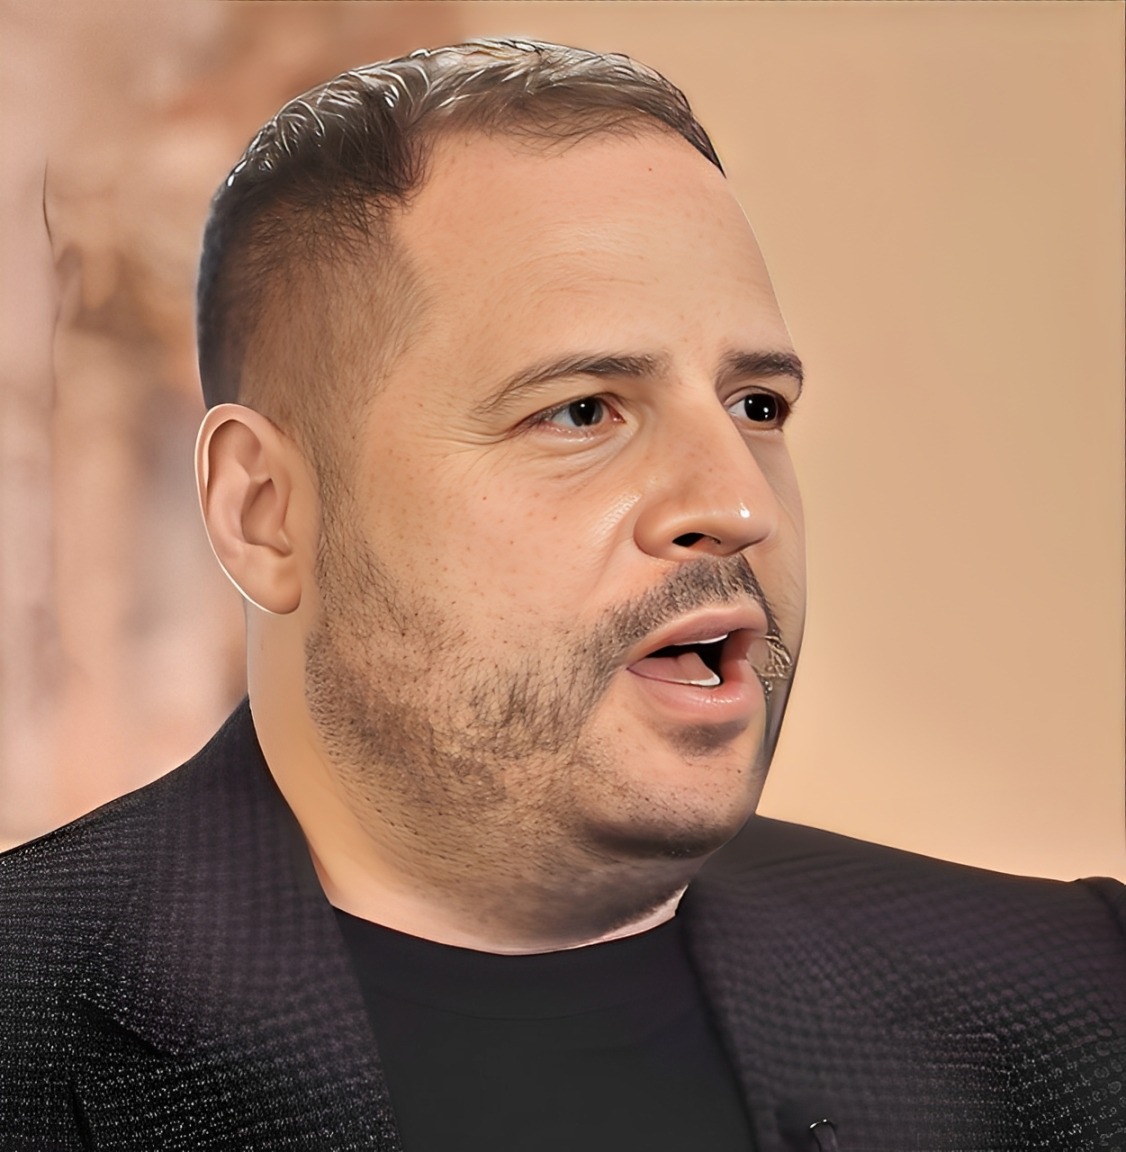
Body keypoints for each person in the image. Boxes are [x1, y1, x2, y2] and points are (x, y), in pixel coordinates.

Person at [0, 39, 1122, 1152]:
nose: (739, 506)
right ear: (264, 511)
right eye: (583, 411)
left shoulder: (1073, 996)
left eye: (757, 407)